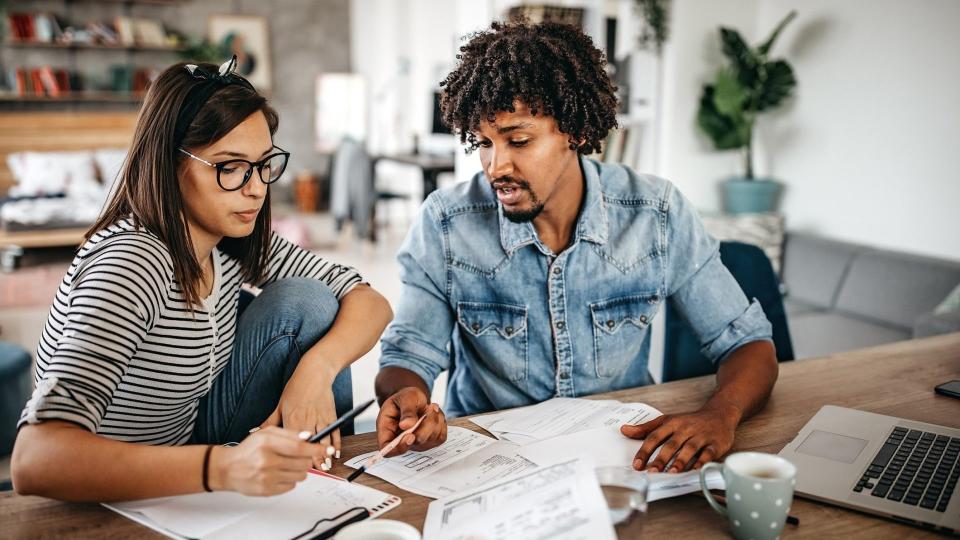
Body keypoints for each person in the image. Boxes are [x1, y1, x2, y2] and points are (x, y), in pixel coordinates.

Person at [374, 20, 778, 473]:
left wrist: (719, 415)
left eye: (518, 140)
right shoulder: (446, 223)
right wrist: (407, 398)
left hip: (623, 458)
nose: (495, 165)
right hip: (491, 464)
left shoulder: (655, 213)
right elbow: (407, 357)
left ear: (576, 132)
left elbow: (749, 345)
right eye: (484, 143)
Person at [11, 58, 392, 501]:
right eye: (229, 167)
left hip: (190, 441)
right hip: (116, 485)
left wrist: (315, 371)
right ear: (169, 162)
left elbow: (371, 301)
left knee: (311, 302)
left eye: (264, 164)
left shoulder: (229, 240)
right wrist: (225, 467)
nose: (256, 188)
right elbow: (34, 459)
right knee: (306, 303)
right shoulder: (132, 263)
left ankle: (325, 494)